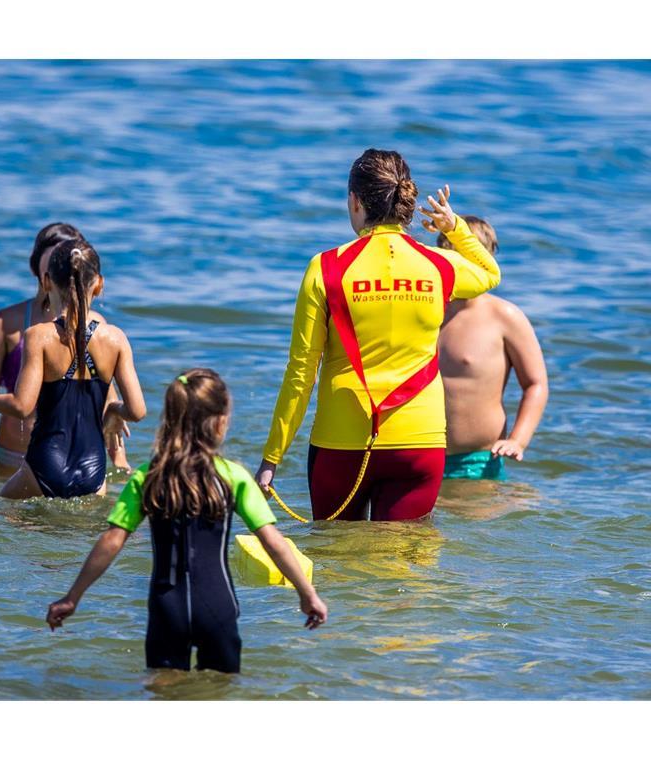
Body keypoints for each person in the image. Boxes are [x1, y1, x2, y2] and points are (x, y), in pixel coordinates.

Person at [255, 149, 501, 521]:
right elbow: (490, 273)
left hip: (341, 443)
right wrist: (455, 228)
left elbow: (301, 374)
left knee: (337, 565)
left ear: (355, 201)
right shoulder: (438, 266)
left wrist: (272, 457)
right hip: (419, 443)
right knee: (404, 568)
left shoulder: (326, 268)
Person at [46, 369, 327, 673]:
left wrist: (72, 597)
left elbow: (112, 541)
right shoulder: (232, 476)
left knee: (164, 692)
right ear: (221, 422)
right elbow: (272, 542)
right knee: (220, 693)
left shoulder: (148, 476)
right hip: (217, 606)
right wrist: (307, 593)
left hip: (168, 608)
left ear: (171, 419)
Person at [0, 240, 146, 499]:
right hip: (94, 471)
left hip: (43, 466)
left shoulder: (38, 336)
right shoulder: (116, 339)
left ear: (47, 281)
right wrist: (115, 410)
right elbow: (138, 411)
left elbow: (22, 405)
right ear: (99, 284)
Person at [436, 216, 549, 480]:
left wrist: (518, 440)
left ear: (486, 259)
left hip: (479, 461)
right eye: (449, 254)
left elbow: (536, 384)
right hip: (418, 454)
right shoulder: (425, 311)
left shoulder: (505, 317)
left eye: (465, 255)